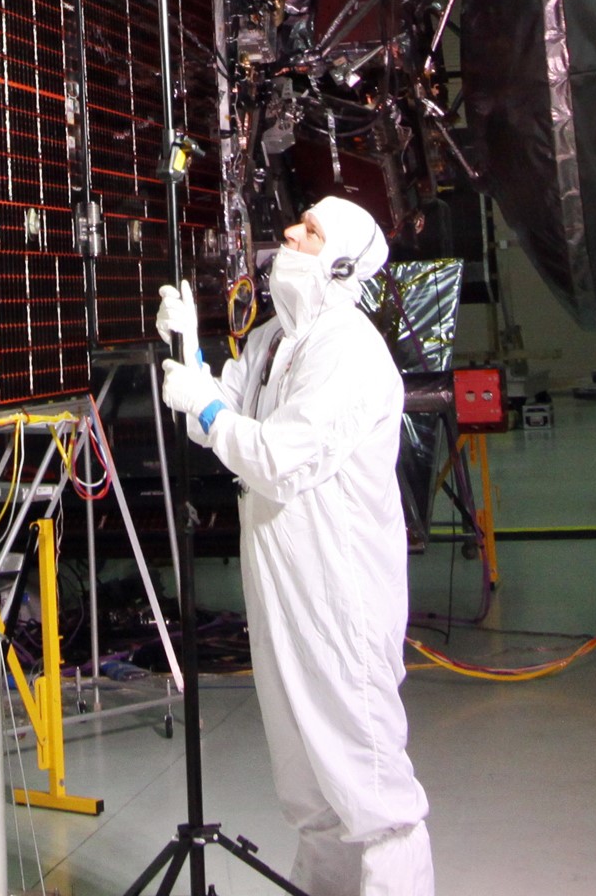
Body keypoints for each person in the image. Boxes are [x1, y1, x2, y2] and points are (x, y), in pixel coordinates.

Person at [158, 195, 431, 896]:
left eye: (309, 231)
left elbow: (277, 459)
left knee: (368, 788)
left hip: (341, 599)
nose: (288, 233)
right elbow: (220, 422)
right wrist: (189, 354)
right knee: (309, 790)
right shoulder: (277, 339)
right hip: (282, 592)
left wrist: (205, 403)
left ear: (341, 264)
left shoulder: (349, 351)